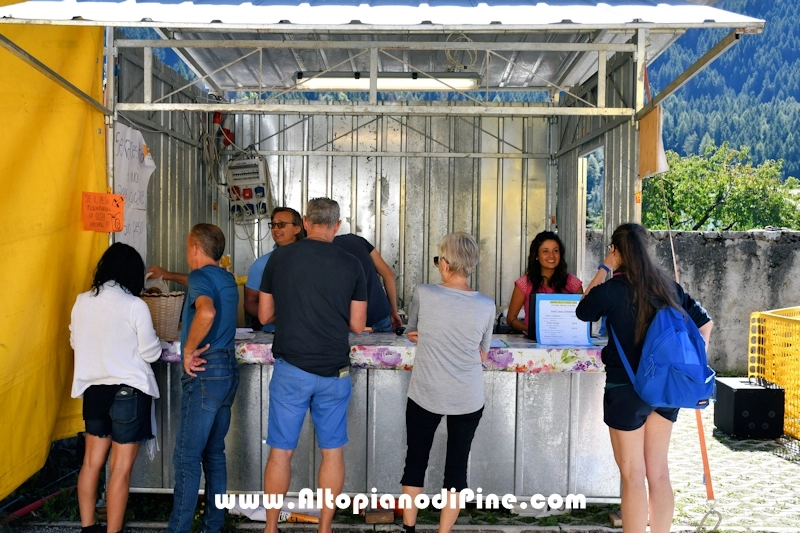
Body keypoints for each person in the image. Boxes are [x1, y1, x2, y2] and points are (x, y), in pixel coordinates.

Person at [575, 223, 713, 533]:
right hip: (666, 391)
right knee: (659, 473)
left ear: (616, 251)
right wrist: (690, 363)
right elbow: (705, 324)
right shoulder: (668, 287)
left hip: (626, 390)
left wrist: (604, 268)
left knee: (633, 476)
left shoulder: (611, 290)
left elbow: (583, 309)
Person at [258, 198, 367, 533]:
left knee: (280, 453)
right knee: (332, 453)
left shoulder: (280, 258)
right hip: (334, 371)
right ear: (337, 225)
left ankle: (271, 528)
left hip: (291, 369)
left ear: (305, 223)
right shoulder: (352, 264)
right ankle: (325, 528)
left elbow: (264, 315)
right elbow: (358, 324)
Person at [400, 233, 495, 533]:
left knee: (415, 462)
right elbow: (482, 353)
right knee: (456, 469)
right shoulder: (486, 305)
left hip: (426, 391)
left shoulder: (424, 293)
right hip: (467, 396)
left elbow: (412, 331)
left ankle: (409, 529)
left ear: (444, 263)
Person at [70, 242, 161, 533]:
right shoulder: (135, 305)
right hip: (128, 393)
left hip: (94, 391)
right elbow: (151, 353)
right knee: (120, 468)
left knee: (91, 463)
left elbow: (75, 341)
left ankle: (88, 527)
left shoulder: (82, 301)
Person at [154, 224, 240, 533]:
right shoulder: (226, 278)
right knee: (214, 455)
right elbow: (194, 282)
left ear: (194, 248)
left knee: (186, 458)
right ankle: (213, 525)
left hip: (206, 370)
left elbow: (206, 312)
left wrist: (188, 349)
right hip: (228, 368)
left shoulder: (201, 277)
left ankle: (177, 529)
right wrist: (168, 274)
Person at [507, 231, 583, 336]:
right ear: (536, 255)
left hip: (567, 340)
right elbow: (511, 318)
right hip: (535, 342)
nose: (551, 256)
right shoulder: (525, 283)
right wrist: (532, 330)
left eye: (555, 251)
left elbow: (583, 314)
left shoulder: (573, 283)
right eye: (545, 251)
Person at [243, 207, 305, 331]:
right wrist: (274, 316)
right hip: (272, 334)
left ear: (297, 228)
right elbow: (250, 302)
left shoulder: (311, 259)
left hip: (307, 332)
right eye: (273, 225)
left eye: (281, 225)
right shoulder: (261, 264)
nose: (276, 229)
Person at [333, 233, 402, 332]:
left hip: (347, 322)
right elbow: (388, 274)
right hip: (379, 314)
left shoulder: (322, 252)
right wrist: (394, 311)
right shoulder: (356, 240)